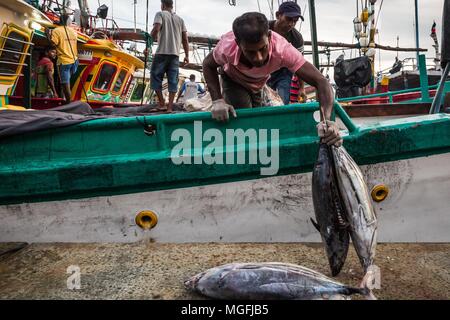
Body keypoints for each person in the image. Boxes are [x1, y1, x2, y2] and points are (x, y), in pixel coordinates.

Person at [202, 12, 342, 146]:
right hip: (234, 80)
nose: (259, 58)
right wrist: (217, 101)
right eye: (251, 52)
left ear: (269, 36)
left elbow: (321, 81)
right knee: (244, 122)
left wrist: (327, 121)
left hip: (259, 84)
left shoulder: (283, 49)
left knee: (258, 122)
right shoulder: (227, 46)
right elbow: (208, 65)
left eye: (262, 49)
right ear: (238, 44)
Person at [151, 0, 189, 112]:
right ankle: (170, 107)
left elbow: (156, 29)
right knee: (173, 80)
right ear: (172, 5)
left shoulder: (160, 14)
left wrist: (148, 45)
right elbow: (185, 39)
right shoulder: (180, 20)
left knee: (155, 77)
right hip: (175, 55)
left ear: (162, 5)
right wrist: (187, 55)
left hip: (161, 52)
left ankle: (162, 103)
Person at [267, 1, 307, 105]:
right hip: (262, 70)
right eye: (288, 19)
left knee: (282, 102)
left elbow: (300, 64)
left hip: (283, 71)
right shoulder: (264, 28)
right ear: (278, 15)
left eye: (295, 21)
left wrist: (301, 88)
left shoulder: (297, 38)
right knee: (263, 102)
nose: (291, 24)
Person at [50, 14, 78, 104]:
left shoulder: (56, 31)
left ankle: (69, 103)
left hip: (64, 61)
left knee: (65, 84)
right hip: (75, 61)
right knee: (66, 82)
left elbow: (53, 44)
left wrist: (48, 34)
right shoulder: (74, 32)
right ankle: (64, 99)